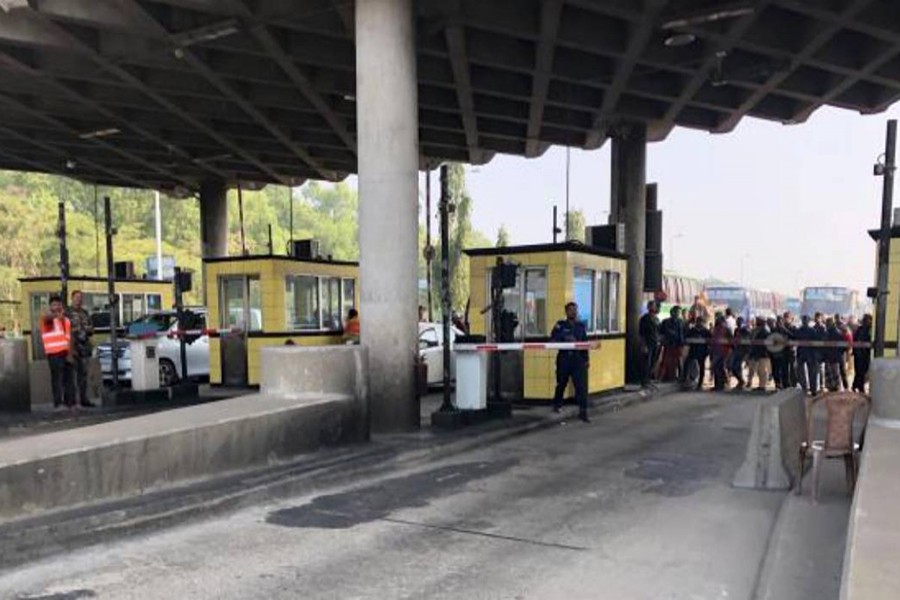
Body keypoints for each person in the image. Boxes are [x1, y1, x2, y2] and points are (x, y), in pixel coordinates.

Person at [551, 302, 590, 423]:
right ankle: (557, 404)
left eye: (575, 310)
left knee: (581, 386)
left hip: (578, 359)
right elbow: (553, 339)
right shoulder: (560, 325)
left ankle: (583, 412)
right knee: (561, 383)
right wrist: (564, 338)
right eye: (570, 310)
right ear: (566, 312)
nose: (573, 312)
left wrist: (587, 359)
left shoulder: (580, 326)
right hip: (564, 358)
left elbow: (584, 343)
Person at [41, 294, 74, 410]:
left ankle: (69, 403)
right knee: (57, 379)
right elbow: (47, 318)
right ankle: (58, 403)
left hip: (65, 352)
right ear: (50, 306)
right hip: (53, 353)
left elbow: (68, 337)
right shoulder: (48, 319)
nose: (57, 307)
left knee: (68, 379)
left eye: (59, 304)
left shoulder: (66, 321)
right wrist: (56, 316)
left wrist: (70, 353)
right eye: (54, 305)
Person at [66, 290, 96, 408]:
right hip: (72, 347)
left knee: (83, 375)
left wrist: (87, 329)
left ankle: (84, 399)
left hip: (84, 348)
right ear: (72, 298)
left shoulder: (85, 313)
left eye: (80, 298)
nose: (79, 300)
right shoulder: (67, 313)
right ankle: (71, 400)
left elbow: (92, 329)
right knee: (71, 376)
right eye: (76, 297)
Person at [658, 306, 686, 382]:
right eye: (676, 312)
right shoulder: (665, 322)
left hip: (678, 344)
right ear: (671, 312)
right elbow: (661, 332)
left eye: (678, 312)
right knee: (665, 361)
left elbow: (684, 333)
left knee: (678, 361)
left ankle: (679, 377)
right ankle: (660, 377)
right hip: (669, 344)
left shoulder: (682, 322)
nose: (677, 314)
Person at [639, 300, 660, 387]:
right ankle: (644, 381)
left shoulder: (656, 318)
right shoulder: (644, 319)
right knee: (646, 362)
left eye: (654, 306)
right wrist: (644, 345)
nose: (653, 308)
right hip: (648, 343)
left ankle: (649, 379)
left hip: (655, 342)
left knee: (653, 361)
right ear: (648, 308)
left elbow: (659, 330)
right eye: (651, 306)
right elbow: (642, 333)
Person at [795, 315, 819, 395]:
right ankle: (813, 389)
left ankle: (804, 389)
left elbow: (794, 337)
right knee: (812, 373)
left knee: (802, 373)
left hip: (802, 353)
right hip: (810, 354)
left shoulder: (799, 330)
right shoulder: (812, 330)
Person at [686, 317, 711, 391]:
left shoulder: (706, 331)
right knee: (688, 364)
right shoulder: (692, 330)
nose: (699, 323)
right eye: (698, 322)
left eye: (701, 322)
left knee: (701, 367)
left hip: (702, 351)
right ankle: (688, 380)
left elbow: (710, 340)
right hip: (693, 350)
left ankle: (700, 384)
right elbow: (687, 337)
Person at [748, 317, 771, 391]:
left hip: (762, 354)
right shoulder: (755, 331)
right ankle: (760, 385)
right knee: (758, 370)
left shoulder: (765, 332)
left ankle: (762, 386)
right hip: (756, 353)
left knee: (762, 370)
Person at [710, 315, 732, 391]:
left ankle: (723, 384)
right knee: (716, 368)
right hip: (716, 351)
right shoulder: (715, 329)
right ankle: (718, 385)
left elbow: (730, 340)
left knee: (720, 367)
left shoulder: (726, 330)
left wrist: (729, 350)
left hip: (723, 351)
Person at [852, 314, 873, 393]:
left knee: (859, 372)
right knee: (861, 372)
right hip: (862, 355)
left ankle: (856, 386)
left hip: (859, 354)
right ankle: (859, 387)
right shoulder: (867, 330)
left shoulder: (860, 329)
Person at [824, 317, 844, 392]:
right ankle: (835, 386)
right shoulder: (837, 332)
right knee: (835, 372)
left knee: (833, 373)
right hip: (834, 356)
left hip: (831, 356)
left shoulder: (829, 333)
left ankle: (833, 387)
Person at [730, 317, 750, 390]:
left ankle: (741, 382)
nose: (738, 323)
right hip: (736, 350)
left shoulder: (745, 330)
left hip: (742, 351)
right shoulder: (736, 330)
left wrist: (747, 353)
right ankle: (740, 381)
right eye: (737, 321)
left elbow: (748, 340)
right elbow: (734, 339)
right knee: (733, 367)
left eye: (740, 322)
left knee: (736, 367)